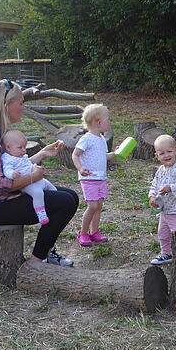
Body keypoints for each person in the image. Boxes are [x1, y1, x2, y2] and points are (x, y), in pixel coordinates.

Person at [0, 79, 77, 266]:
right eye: (20, 103)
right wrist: (33, 177)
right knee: (65, 202)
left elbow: (12, 169)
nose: (23, 107)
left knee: (70, 196)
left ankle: (45, 255)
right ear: (6, 106)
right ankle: (37, 263)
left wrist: (42, 154)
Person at [72, 103, 116, 247]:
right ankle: (83, 233)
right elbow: (75, 155)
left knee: (98, 206)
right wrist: (80, 168)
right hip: (89, 178)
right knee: (92, 206)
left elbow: (102, 156)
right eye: (108, 119)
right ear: (98, 122)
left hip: (100, 178)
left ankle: (94, 231)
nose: (110, 122)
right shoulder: (87, 138)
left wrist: (115, 154)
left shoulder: (101, 139)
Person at [148, 134, 176, 265]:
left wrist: (171, 188)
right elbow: (154, 185)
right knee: (163, 234)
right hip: (165, 210)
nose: (166, 155)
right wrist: (151, 196)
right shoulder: (160, 170)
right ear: (157, 156)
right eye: (162, 153)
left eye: (169, 151)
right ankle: (166, 253)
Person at [1, 129, 57, 225]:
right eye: (20, 147)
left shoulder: (21, 156)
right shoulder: (8, 159)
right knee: (37, 193)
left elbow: (27, 165)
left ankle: (56, 200)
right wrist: (12, 174)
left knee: (50, 186)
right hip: (25, 183)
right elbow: (7, 170)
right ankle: (41, 213)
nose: (24, 150)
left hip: (35, 179)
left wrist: (35, 167)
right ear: (8, 147)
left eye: (24, 147)